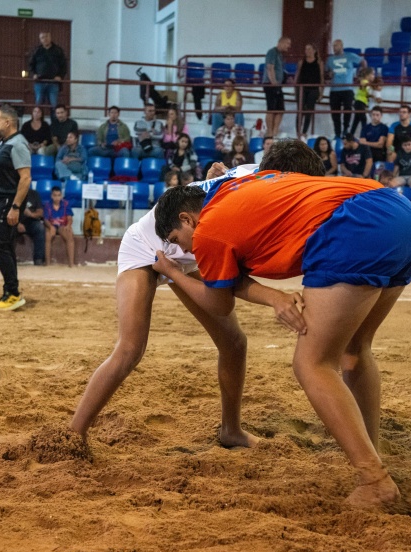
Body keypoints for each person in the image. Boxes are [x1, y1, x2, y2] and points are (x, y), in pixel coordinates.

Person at [151, 158, 411, 508]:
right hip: (399, 212)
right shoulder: (238, 187)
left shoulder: (208, 231)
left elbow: (218, 304)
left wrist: (173, 271)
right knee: (355, 348)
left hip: (353, 228)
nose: (186, 249)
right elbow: (231, 278)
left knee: (311, 363)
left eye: (178, 239)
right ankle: (370, 452)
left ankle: (374, 479)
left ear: (188, 219)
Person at [70, 141, 323, 455]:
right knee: (130, 348)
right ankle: (72, 435)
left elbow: (224, 278)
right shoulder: (252, 188)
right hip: (149, 246)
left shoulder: (253, 181)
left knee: (233, 343)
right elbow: (225, 291)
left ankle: (231, 431)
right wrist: (274, 297)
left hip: (194, 245)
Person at [0, 105, 31, 311]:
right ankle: (10, 292)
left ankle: (13, 293)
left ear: (8, 122)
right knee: (5, 246)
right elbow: (3, 177)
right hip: (1, 201)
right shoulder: (6, 143)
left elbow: (25, 178)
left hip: (8, 202)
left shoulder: (18, 145)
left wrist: (15, 207)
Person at [325, 39, 364, 140]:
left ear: (341, 46)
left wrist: (361, 74)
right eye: (333, 46)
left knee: (348, 110)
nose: (334, 48)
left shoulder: (349, 56)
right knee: (335, 113)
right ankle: (337, 133)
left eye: (336, 46)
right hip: (334, 89)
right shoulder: (330, 59)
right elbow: (326, 72)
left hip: (347, 88)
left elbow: (363, 61)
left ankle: (345, 130)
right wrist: (329, 75)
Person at [29, 31, 66, 111]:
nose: (45, 39)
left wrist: (60, 76)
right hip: (39, 81)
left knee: (54, 105)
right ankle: (39, 123)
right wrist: (34, 74)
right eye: (42, 37)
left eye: (46, 36)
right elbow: (31, 64)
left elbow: (64, 65)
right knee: (38, 105)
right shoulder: (37, 51)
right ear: (40, 40)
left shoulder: (58, 50)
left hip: (53, 82)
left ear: (50, 37)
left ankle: (55, 123)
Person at [262, 36, 290, 138]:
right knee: (271, 108)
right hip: (270, 84)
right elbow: (270, 68)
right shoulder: (272, 52)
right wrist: (274, 83)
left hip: (277, 85)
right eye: (287, 44)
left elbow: (279, 69)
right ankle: (270, 132)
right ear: (281, 42)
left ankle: (274, 132)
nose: (289, 46)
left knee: (280, 109)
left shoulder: (280, 55)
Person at [295, 43, 322, 139]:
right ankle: (298, 132)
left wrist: (321, 93)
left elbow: (321, 78)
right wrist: (295, 89)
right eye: (306, 49)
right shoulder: (301, 62)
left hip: (313, 89)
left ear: (314, 50)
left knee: (309, 111)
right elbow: (297, 76)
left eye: (309, 49)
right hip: (302, 89)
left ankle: (304, 132)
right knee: (300, 111)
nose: (307, 51)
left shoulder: (319, 62)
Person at [44, 185, 75, 267]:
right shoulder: (47, 205)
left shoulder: (66, 204)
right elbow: (46, 219)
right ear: (51, 196)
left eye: (59, 195)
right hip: (51, 225)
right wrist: (50, 227)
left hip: (62, 226)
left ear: (61, 196)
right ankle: (48, 263)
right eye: (55, 195)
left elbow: (70, 218)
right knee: (48, 235)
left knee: (69, 235)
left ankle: (71, 264)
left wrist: (68, 226)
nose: (57, 197)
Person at [16, 188, 45, 265]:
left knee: (40, 228)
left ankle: (38, 259)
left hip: (31, 221)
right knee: (5, 227)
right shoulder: (13, 193)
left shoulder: (34, 194)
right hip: (15, 221)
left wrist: (31, 214)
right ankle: (8, 259)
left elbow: (40, 213)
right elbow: (7, 212)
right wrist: (17, 224)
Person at [350, 66, 379, 138]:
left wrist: (374, 97)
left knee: (356, 120)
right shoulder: (364, 81)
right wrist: (374, 90)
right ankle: (364, 136)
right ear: (367, 75)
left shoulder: (366, 83)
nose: (373, 76)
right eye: (372, 74)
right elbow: (366, 86)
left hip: (360, 103)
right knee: (363, 119)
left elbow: (368, 93)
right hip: (359, 102)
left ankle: (350, 135)